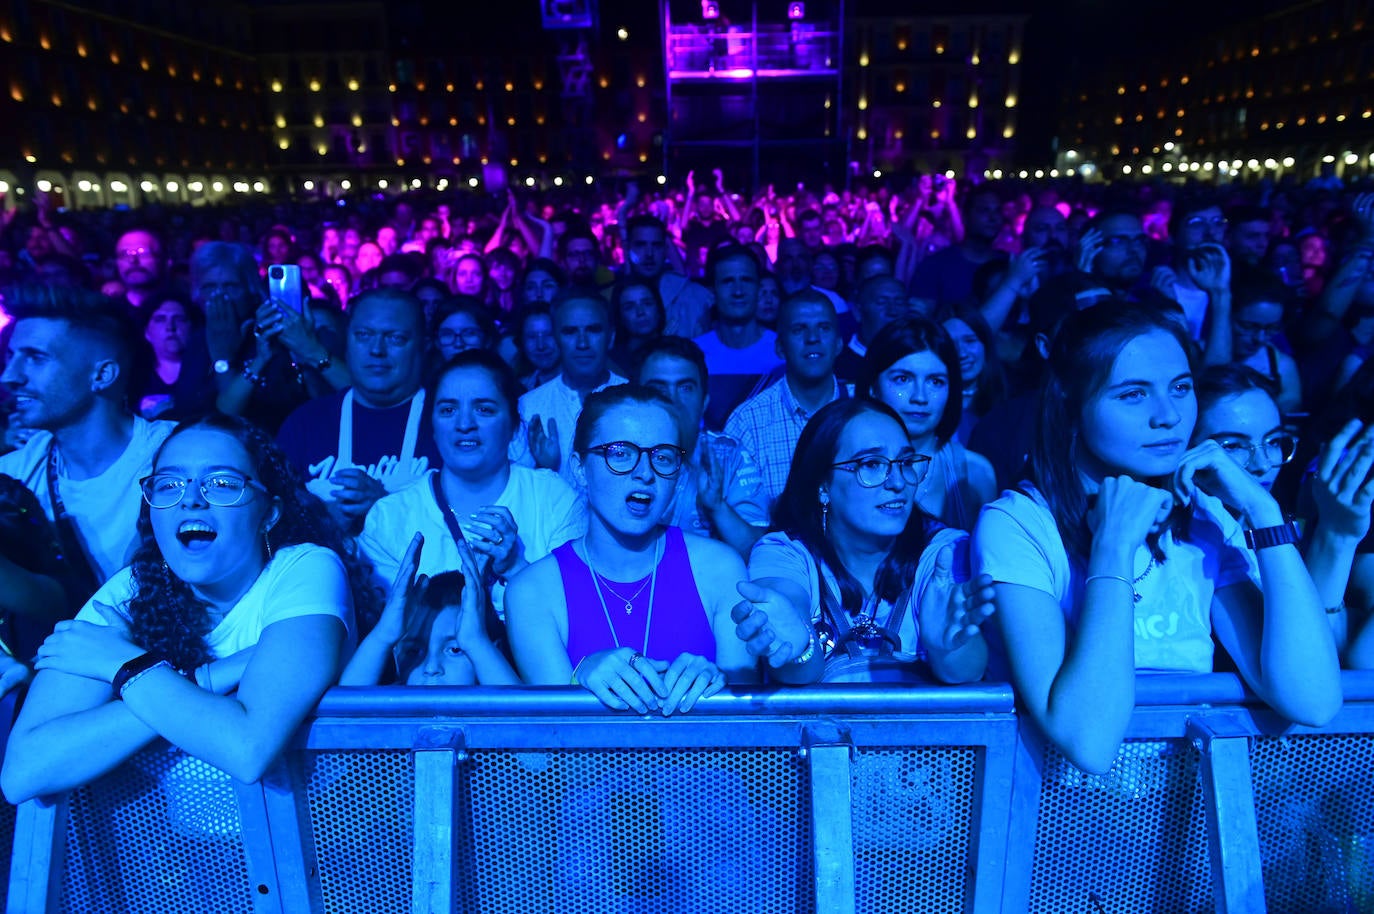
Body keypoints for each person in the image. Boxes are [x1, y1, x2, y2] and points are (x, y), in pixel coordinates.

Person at [973, 303, 1342, 775]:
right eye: (1132, 395)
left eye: (1181, 388)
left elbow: (1312, 699)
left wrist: (1263, 513)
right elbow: (1088, 741)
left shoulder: (1203, 518)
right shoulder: (1017, 524)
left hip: (1184, 821)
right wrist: (1114, 546)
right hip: (1057, 825)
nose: (1168, 416)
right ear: (1071, 405)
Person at [2, 414, 367, 801]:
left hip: (321, 845)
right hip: (174, 853)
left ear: (269, 514)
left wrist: (126, 667)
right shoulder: (130, 590)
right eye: (169, 484)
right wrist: (206, 678)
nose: (191, 498)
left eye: (222, 483)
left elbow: (247, 750)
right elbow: (23, 773)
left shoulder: (305, 567)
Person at [505, 386, 754, 715]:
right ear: (580, 467)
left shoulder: (721, 570)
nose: (645, 472)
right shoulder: (533, 591)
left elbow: (750, 731)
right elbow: (553, 751)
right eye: (621, 453)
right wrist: (577, 683)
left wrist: (721, 690)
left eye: (663, 456)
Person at [732, 398, 995, 684]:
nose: (897, 482)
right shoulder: (785, 552)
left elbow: (970, 671)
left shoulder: (946, 551)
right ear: (822, 485)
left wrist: (947, 650)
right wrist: (802, 648)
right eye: (871, 464)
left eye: (906, 462)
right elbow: (791, 627)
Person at [359, 350, 584, 622]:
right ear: (431, 424)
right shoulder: (389, 517)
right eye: (448, 410)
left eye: (484, 409)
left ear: (514, 424)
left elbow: (580, 617)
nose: (465, 424)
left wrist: (516, 568)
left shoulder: (554, 499)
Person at [1, 284, 175, 602]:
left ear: (103, 375)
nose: (9, 376)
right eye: (11, 357)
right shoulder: (12, 476)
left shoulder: (177, 456)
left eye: (36, 358)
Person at [1193, 365, 1371, 662]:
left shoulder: (1280, 529)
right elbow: (1301, 664)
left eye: (1274, 442)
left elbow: (1327, 651)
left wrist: (1337, 536)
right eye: (1234, 445)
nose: (1263, 463)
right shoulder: (1193, 544)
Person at [277, 288, 441, 529]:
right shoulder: (305, 423)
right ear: (348, 340)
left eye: (395, 338)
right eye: (363, 335)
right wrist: (321, 518)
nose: (376, 350)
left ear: (424, 345)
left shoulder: (449, 422)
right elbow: (273, 515)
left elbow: (470, 520)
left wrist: (385, 507)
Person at [859, 318, 997, 531]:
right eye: (903, 379)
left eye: (935, 382)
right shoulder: (847, 467)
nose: (920, 397)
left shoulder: (976, 473)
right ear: (872, 387)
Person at [637, 336, 767, 554]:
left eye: (685, 388)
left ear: (704, 400)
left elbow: (756, 553)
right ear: (636, 397)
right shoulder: (615, 457)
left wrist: (717, 507)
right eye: (659, 389)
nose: (673, 400)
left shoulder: (727, 455)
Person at [723, 290, 845, 517]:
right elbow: (737, 520)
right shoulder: (748, 422)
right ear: (780, 347)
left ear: (838, 344)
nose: (812, 338)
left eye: (824, 328)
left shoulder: (863, 409)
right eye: (799, 329)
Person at [342, 539, 521, 686]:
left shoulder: (488, 666)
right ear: (396, 657)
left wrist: (476, 642)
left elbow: (525, 725)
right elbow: (341, 717)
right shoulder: (394, 705)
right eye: (413, 651)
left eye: (455, 649)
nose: (431, 667)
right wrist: (383, 636)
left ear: (492, 653)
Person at [516, 289, 627, 487]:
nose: (582, 343)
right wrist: (544, 469)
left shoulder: (635, 400)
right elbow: (518, 489)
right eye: (570, 332)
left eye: (593, 330)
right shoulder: (529, 407)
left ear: (610, 337)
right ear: (556, 339)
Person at [693, 245, 784, 430]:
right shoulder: (694, 354)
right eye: (728, 281)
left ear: (759, 288)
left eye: (746, 280)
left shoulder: (783, 352)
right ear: (712, 291)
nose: (738, 291)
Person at [624, 215, 712, 338]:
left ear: (666, 250)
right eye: (641, 245)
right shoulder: (614, 298)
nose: (649, 253)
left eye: (656, 245)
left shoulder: (697, 296)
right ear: (628, 249)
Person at [608, 279, 666, 381]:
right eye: (629, 307)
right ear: (620, 316)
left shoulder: (676, 351)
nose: (640, 312)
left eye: (647, 303)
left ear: (658, 309)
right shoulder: (612, 363)